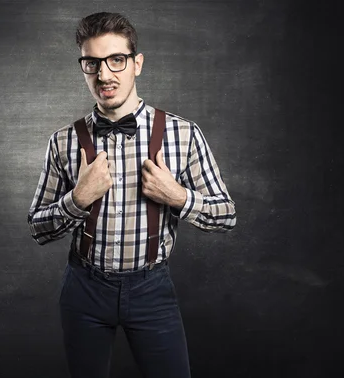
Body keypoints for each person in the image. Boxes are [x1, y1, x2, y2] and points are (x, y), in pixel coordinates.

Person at [27, 11, 236, 378]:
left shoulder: (183, 134)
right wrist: (77, 199)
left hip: (152, 289)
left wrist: (179, 197)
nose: (104, 75)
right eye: (92, 63)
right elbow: (38, 228)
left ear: (137, 64)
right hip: (84, 290)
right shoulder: (63, 141)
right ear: (84, 67)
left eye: (116, 60)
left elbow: (226, 215)